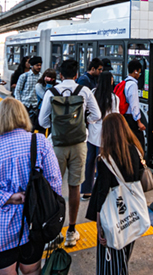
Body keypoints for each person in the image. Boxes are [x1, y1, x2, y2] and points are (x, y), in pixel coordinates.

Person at [0, 99, 62, 275]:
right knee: (32, 270)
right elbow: (55, 182)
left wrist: (9, 198)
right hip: (34, 222)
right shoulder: (39, 142)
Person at [38, 59, 101, 247]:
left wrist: (57, 126)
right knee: (75, 187)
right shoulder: (84, 91)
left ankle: (52, 233)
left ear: (60, 75)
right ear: (76, 75)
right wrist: (82, 123)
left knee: (53, 188)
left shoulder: (51, 92)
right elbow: (96, 115)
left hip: (56, 145)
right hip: (79, 144)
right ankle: (72, 231)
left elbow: (42, 122)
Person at [85, 113, 145, 274]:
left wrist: (99, 223)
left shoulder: (105, 159)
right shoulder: (136, 151)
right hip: (131, 213)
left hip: (113, 214)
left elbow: (102, 193)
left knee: (111, 258)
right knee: (124, 252)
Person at [81, 71, 119, 200]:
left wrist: (91, 121)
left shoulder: (93, 92)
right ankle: (101, 190)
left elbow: (87, 109)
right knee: (102, 163)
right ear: (110, 81)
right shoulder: (113, 98)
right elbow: (115, 116)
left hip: (92, 132)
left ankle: (86, 191)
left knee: (89, 161)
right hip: (106, 134)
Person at [15, 56, 43, 131]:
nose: (39, 67)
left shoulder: (41, 77)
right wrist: (19, 103)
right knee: (23, 126)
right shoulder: (24, 76)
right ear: (32, 66)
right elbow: (17, 90)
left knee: (32, 127)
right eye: (37, 65)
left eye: (40, 65)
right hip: (25, 105)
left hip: (35, 106)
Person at [122, 59, 146, 148]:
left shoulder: (125, 82)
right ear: (135, 71)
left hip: (125, 117)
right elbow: (134, 105)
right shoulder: (133, 85)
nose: (139, 75)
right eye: (139, 72)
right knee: (138, 143)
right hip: (131, 118)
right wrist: (139, 122)